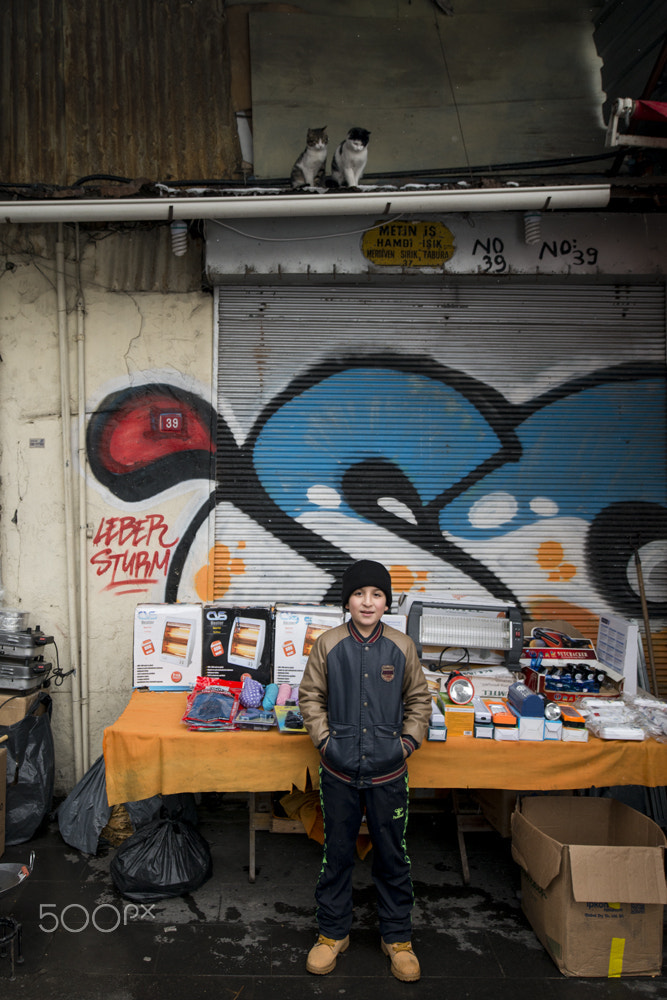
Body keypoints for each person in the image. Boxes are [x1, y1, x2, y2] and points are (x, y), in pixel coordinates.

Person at [299, 559, 432, 982]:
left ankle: (397, 938)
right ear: (347, 601)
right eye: (359, 594)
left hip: (388, 774)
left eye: (376, 594)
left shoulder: (402, 646)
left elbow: (420, 702)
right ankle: (332, 933)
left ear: (386, 602)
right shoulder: (328, 644)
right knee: (336, 853)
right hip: (338, 772)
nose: (368, 602)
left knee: (392, 856)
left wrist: (405, 744)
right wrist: (326, 742)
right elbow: (310, 698)